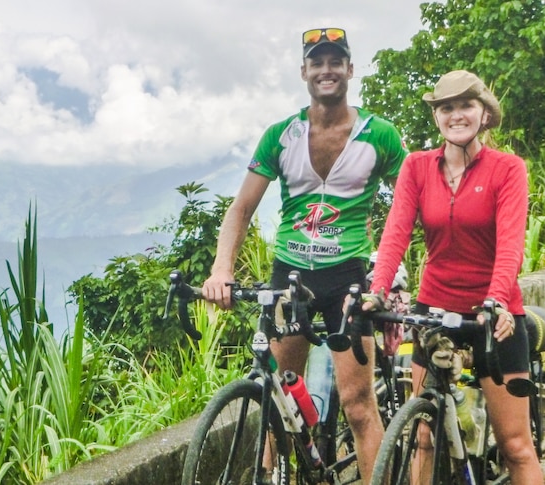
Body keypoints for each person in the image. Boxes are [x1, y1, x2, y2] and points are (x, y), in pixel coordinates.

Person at [201, 27, 407, 482]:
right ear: (304, 73)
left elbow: (409, 203)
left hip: (348, 276)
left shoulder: (381, 135)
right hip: (291, 273)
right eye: (317, 63)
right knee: (277, 393)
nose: (326, 70)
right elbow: (241, 209)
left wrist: (396, 274)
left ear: (350, 70)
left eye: (336, 62)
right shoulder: (281, 135)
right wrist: (221, 269)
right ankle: (275, 476)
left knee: (358, 405)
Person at [365, 70, 543, 482]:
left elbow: (511, 245)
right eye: (447, 107)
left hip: (493, 315)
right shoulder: (417, 167)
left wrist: (497, 299)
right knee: (424, 435)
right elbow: (394, 235)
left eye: (466, 105)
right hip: (434, 311)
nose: (456, 114)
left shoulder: (507, 169)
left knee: (516, 446)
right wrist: (377, 291)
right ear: (437, 117)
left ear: (484, 114)